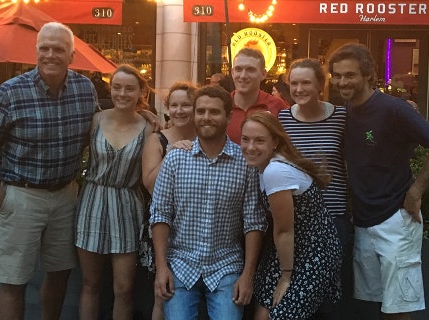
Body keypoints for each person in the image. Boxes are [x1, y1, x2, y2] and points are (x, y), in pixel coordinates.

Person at [0, 22, 99, 320]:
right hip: (22, 195)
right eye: (44, 48)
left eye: (58, 49)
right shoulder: (10, 92)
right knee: (13, 280)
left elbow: (102, 127)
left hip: (66, 196)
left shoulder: (85, 89)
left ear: (71, 55)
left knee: (59, 274)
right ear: (36, 52)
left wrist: (142, 114)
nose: (50, 54)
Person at [328, 43, 429, 320]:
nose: (342, 82)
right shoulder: (344, 112)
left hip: (395, 219)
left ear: (368, 75)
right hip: (362, 220)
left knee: (398, 307)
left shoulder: (395, 109)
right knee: (374, 303)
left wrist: (416, 190)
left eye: (349, 75)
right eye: (336, 75)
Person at [149, 85, 266, 319]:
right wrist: (161, 269)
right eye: (201, 111)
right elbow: (160, 214)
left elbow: (254, 222)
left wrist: (247, 275)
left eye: (214, 112)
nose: (206, 117)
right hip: (181, 264)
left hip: (226, 266)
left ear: (229, 116)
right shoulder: (175, 159)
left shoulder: (244, 164)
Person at [240, 112, 342, 319]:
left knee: (282, 314)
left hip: (313, 251)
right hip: (286, 249)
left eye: (259, 140)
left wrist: (286, 276)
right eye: (245, 139)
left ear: (275, 142)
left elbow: (285, 230)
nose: (250, 147)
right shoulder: (265, 164)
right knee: (262, 313)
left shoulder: (275, 171)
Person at [74, 64, 154, 320]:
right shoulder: (95, 119)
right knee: (90, 283)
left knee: (124, 288)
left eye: (129, 88)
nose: (122, 93)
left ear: (140, 91)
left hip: (127, 204)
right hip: (92, 202)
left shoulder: (150, 127)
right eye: (117, 87)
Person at [276, 58, 351, 318]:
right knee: (297, 288)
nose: (299, 89)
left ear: (320, 84)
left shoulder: (341, 116)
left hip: (333, 216)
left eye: (306, 82)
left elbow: (366, 143)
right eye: (294, 83)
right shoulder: (283, 119)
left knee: (329, 290)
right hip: (296, 219)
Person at [141, 81, 199, 320]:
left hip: (196, 223)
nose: (180, 110)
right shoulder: (158, 140)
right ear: (167, 109)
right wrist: (172, 154)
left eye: (186, 105)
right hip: (164, 225)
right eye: (174, 105)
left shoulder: (206, 136)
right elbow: (151, 184)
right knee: (162, 294)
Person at [228, 48, 289, 144]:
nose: (243, 75)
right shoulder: (222, 105)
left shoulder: (277, 106)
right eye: (238, 69)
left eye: (250, 70)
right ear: (232, 73)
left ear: (263, 74)